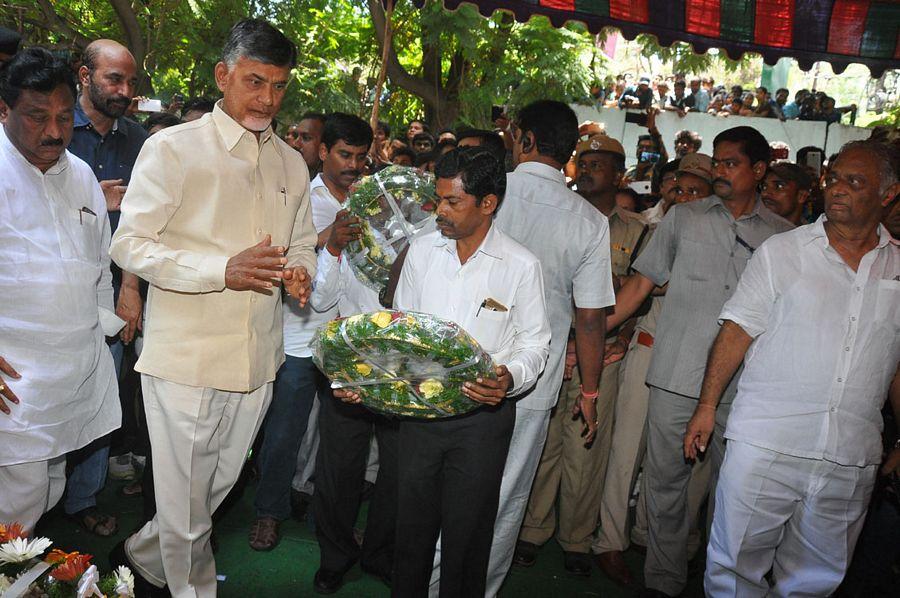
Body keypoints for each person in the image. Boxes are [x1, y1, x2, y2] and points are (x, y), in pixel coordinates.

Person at [108, 20, 317, 597]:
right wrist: (219, 269)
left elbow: (302, 241)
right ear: (223, 75)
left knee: (209, 495)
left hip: (258, 361)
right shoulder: (173, 148)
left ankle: (140, 554)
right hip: (187, 360)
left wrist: (302, 270)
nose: (268, 99)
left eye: (278, 86)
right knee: (188, 512)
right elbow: (129, 244)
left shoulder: (293, 163)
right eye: (255, 82)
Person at [685, 140, 900, 596]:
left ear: (888, 193)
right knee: (733, 571)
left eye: (854, 182)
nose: (837, 189)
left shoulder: (898, 268)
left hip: (849, 456)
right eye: (833, 178)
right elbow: (736, 332)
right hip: (766, 443)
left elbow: (895, 361)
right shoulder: (783, 252)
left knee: (815, 581)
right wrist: (706, 407)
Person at [608, 126, 794, 597]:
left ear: (759, 169)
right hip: (675, 375)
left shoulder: (785, 238)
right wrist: (593, 329)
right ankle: (664, 582)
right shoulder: (683, 219)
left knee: (734, 493)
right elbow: (640, 285)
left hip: (746, 385)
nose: (720, 172)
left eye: (732, 163)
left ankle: (722, 582)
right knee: (665, 485)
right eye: (718, 163)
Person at [365, 147, 550, 597]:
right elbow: (399, 330)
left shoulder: (521, 265)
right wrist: (370, 383)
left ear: (488, 203)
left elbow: (536, 343)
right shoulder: (422, 252)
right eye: (438, 199)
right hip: (419, 416)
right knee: (410, 534)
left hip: (481, 422)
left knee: (468, 538)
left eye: (452, 202)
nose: (440, 211)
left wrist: (509, 378)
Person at [457, 99, 615, 596]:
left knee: (451, 485)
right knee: (507, 495)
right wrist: (590, 393)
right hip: (534, 378)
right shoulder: (590, 221)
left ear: (522, 139)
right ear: (567, 152)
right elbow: (591, 320)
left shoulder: (484, 195)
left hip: (460, 364)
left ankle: (436, 579)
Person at [0, 47, 122, 535]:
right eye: (36, 116)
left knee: (48, 488)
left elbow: (98, 267)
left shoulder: (82, 175)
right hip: (14, 382)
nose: (53, 131)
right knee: (19, 500)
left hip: (73, 372)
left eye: (63, 117)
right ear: (3, 109)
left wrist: (102, 334)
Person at [516, 134, 647, 575]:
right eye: (582, 161)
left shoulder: (636, 229)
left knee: (586, 448)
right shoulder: (559, 212)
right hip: (551, 348)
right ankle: (532, 529)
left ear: (619, 174)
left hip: (601, 354)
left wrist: (623, 334)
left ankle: (576, 537)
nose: (587, 170)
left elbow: (637, 294)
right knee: (545, 441)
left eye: (598, 164)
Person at [592, 154, 712, 589]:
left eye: (694, 190)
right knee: (626, 451)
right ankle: (609, 539)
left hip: (700, 363)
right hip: (647, 346)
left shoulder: (722, 236)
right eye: (677, 188)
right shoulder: (652, 229)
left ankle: (655, 538)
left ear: (711, 196)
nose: (682, 197)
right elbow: (629, 287)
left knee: (687, 460)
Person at [306, 114, 400, 594]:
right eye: (346, 155)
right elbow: (319, 300)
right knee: (340, 466)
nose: (354, 166)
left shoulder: (385, 203)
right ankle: (335, 555)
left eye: (362, 158)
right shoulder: (305, 202)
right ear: (324, 151)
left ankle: (381, 552)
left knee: (397, 464)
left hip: (395, 357)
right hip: (343, 358)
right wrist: (334, 248)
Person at [63, 39, 149, 537]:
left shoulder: (139, 141)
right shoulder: (49, 129)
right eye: (114, 79)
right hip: (53, 292)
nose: (124, 90)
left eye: (131, 81)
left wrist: (130, 288)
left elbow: (144, 225)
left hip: (114, 291)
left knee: (103, 396)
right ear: (84, 75)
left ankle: (82, 499)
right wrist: (92, 199)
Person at [760, 161, 814, 226]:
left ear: (801, 196)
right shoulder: (749, 230)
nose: (765, 193)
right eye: (764, 187)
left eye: (779, 186)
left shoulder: (812, 235)